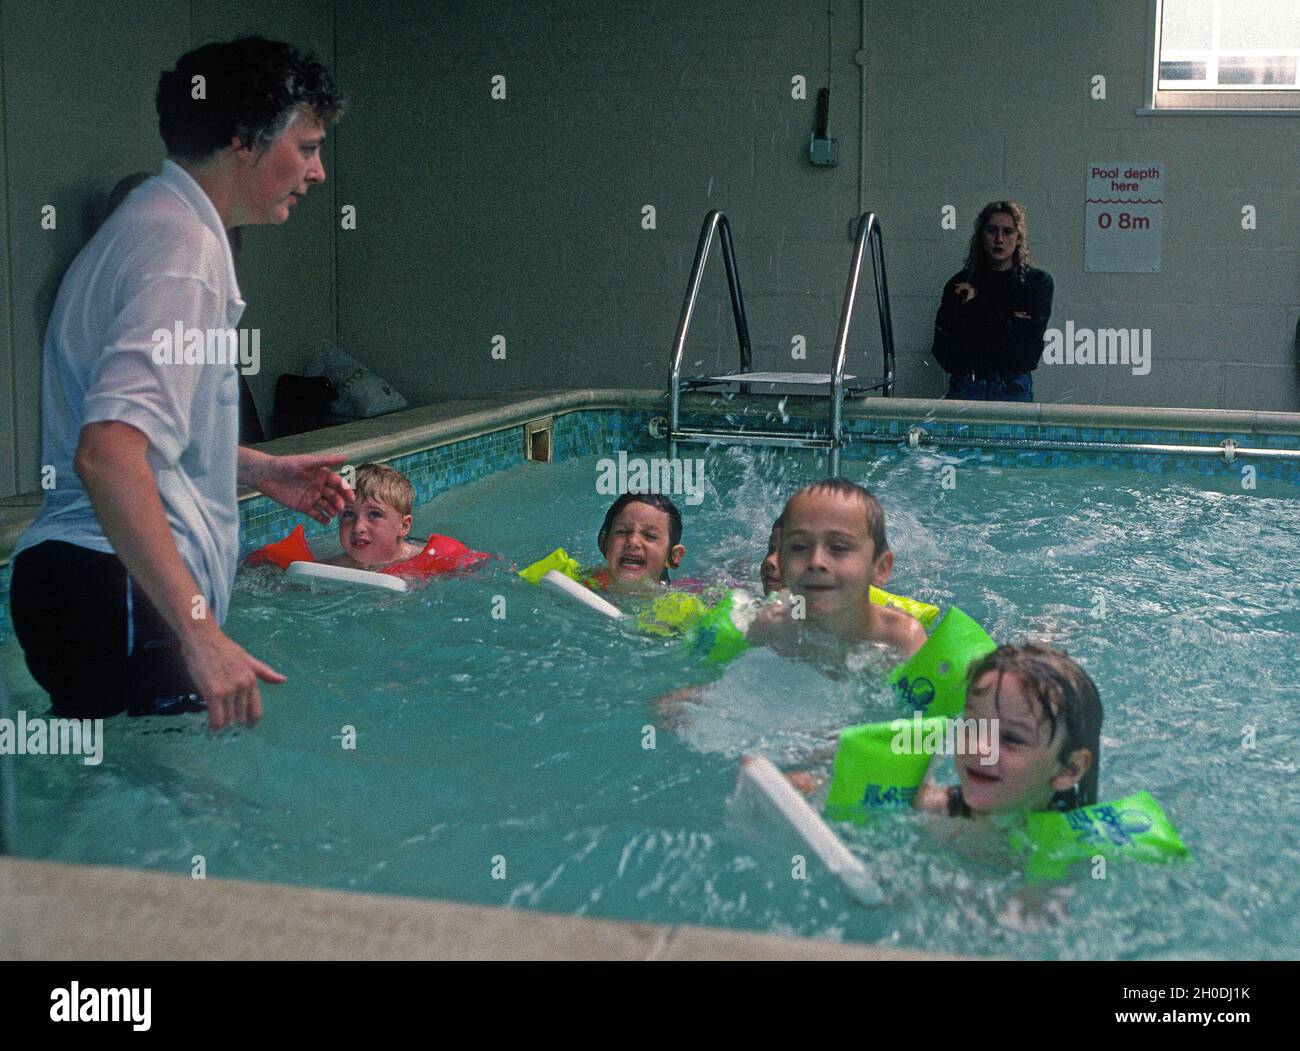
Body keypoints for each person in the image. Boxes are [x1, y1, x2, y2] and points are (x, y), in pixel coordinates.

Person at [9, 37, 348, 730]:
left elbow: (125, 434)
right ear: (242, 141)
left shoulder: (145, 228)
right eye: (307, 146)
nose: (316, 172)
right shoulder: (182, 250)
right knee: (181, 824)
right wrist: (198, 629)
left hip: (84, 583)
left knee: (125, 823)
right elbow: (106, 455)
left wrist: (255, 468)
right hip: (120, 584)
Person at [915, 643, 1101, 818]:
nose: (980, 748)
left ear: (1069, 770)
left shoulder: (1085, 847)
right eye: (973, 727)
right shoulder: (930, 810)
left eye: (1011, 738)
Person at [752, 479, 926, 659]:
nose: (816, 561)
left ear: (880, 569)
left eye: (838, 548)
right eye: (799, 547)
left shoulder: (899, 638)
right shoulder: (772, 625)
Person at [930, 200, 1054, 402]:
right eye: (991, 231)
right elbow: (944, 352)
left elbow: (1025, 355)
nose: (999, 239)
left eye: (1007, 232)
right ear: (981, 236)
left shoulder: (1036, 283)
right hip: (967, 385)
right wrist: (1008, 323)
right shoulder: (959, 284)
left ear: (1018, 238)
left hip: (1012, 387)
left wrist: (976, 305)